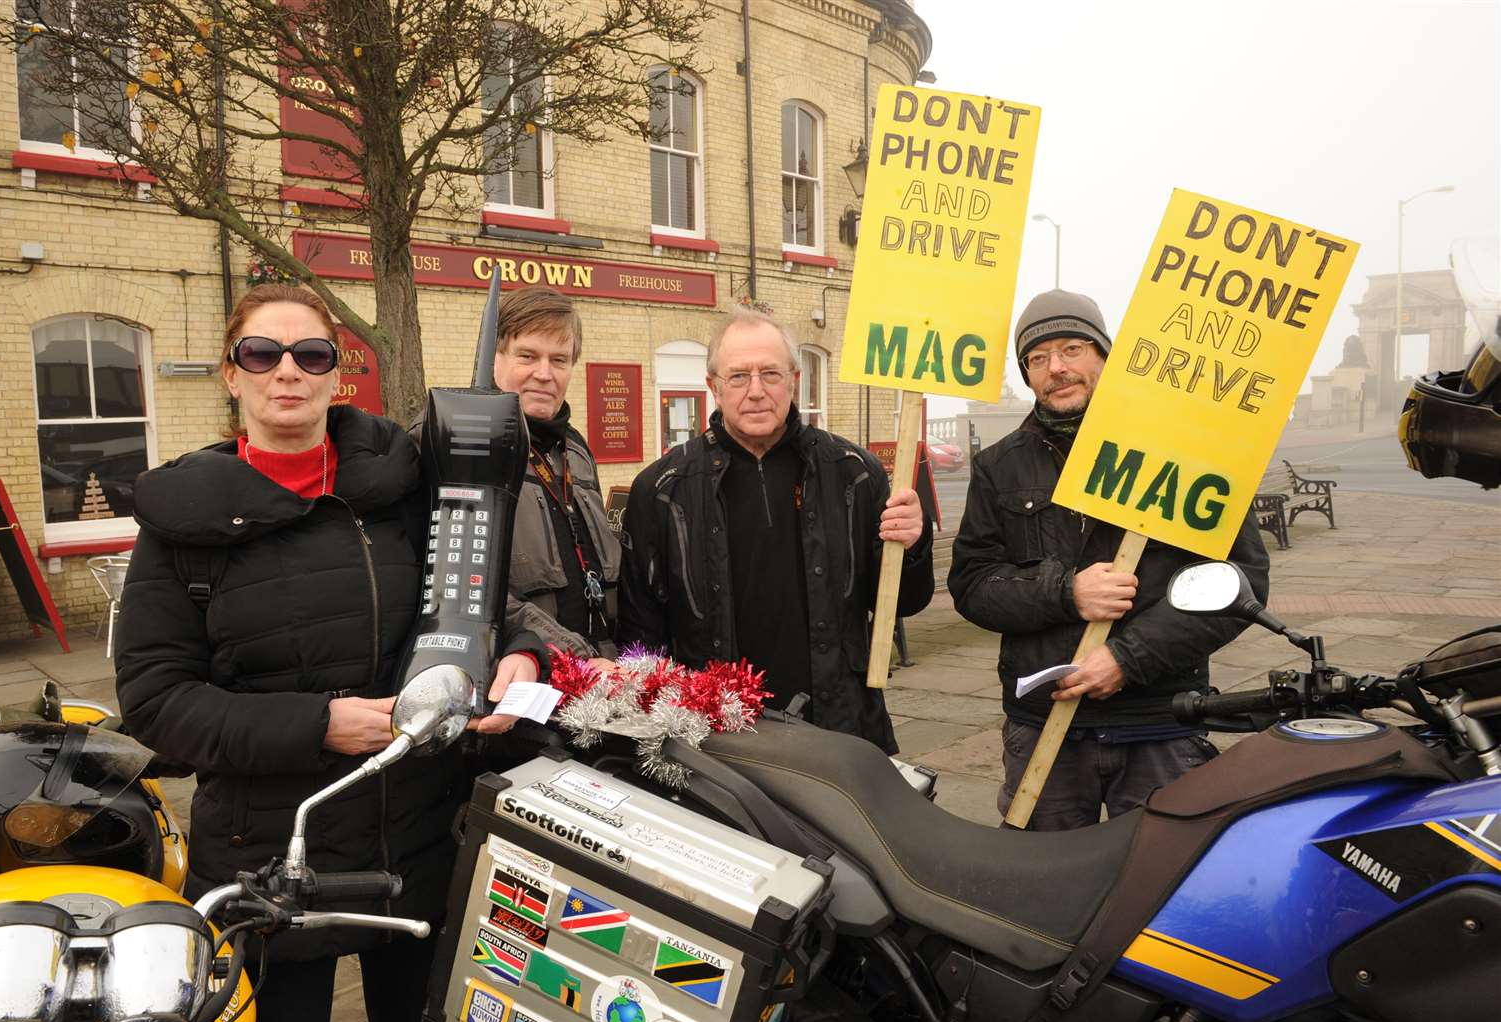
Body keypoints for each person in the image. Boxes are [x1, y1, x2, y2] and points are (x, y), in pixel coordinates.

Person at [114, 284, 540, 1022]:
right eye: (262, 353)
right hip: (270, 857)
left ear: (335, 375)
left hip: (414, 839)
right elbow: (155, 700)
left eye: (311, 355)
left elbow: (461, 598)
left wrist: (516, 650)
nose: (288, 372)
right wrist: (321, 723)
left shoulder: (397, 488)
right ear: (230, 374)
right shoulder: (184, 524)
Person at [948, 289, 1271, 830]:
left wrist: (1128, 658)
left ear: (1104, 355)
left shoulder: (1183, 452)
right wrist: (1064, 592)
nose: (1056, 368)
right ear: (1026, 373)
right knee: (1038, 888)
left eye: (1072, 348)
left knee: (1158, 886)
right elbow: (973, 583)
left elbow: (1239, 582)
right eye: (1037, 358)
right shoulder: (998, 466)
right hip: (1043, 724)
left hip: (1159, 724)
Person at [616, 310, 933, 752]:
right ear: (714, 387)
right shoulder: (663, 489)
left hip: (838, 726)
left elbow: (906, 601)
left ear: (795, 379)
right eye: (739, 376)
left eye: (770, 373)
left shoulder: (853, 474)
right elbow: (640, 634)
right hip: (713, 736)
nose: (756, 391)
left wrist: (913, 546)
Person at [490, 286, 622, 662]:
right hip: (526, 680)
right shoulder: (462, 444)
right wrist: (573, 657)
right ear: (494, 358)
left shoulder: (576, 450)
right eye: (528, 356)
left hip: (603, 675)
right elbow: (469, 589)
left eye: (559, 360)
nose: (544, 374)